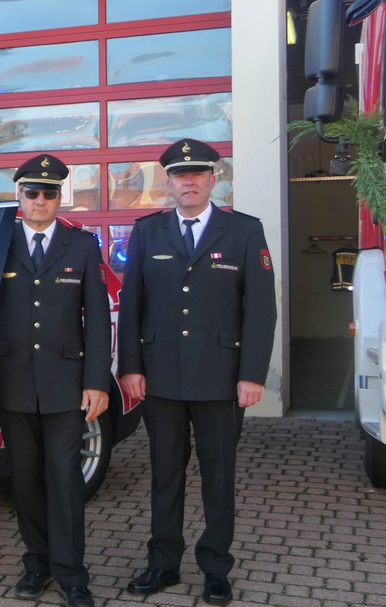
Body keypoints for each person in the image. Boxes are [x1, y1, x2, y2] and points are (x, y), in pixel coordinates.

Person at [118, 138, 276, 606]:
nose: (188, 181)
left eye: (198, 174)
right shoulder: (148, 232)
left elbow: (261, 308)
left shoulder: (244, 231)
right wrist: (130, 367)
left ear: (213, 179)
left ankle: (215, 566)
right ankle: (163, 563)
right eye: (179, 175)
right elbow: (132, 307)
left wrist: (252, 374)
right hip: (161, 378)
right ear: (167, 183)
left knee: (218, 475)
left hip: (221, 377)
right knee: (165, 474)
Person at [0, 153, 111, 607]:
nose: (40, 199)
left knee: (65, 481)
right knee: (27, 481)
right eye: (32, 192)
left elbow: (98, 319)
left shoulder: (82, 247)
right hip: (13, 381)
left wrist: (97, 381)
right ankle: (37, 563)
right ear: (18, 195)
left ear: (60, 198)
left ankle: (72, 574)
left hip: (66, 385)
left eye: (49, 192)